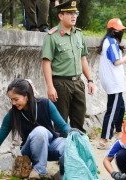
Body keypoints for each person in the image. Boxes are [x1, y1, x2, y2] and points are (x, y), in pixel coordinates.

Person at [0, 79, 80, 179]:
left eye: (16, 99)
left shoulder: (45, 104)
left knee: (69, 145)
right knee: (40, 131)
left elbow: (63, 126)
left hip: (51, 145)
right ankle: (38, 171)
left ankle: (62, 175)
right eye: (11, 99)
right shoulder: (11, 115)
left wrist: (72, 132)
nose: (13, 103)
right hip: (30, 150)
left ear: (27, 96)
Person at [42, 0, 95, 134]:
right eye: (70, 13)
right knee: (61, 123)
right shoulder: (52, 36)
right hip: (61, 84)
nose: (74, 16)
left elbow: (83, 58)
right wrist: (50, 86)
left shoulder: (78, 34)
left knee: (79, 120)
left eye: (75, 13)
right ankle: (61, 153)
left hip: (78, 82)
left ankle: (77, 151)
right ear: (61, 16)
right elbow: (46, 62)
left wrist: (90, 80)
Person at [96, 18, 126, 149]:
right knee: (112, 111)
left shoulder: (107, 42)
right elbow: (116, 61)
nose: (121, 33)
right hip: (114, 82)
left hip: (113, 82)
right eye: (120, 30)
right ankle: (104, 139)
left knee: (121, 107)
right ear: (114, 31)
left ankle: (118, 132)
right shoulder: (112, 42)